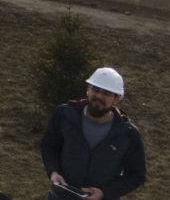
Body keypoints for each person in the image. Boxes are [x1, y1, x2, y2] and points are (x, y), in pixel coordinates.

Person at [40, 67, 147, 200]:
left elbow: (136, 175)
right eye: (95, 90)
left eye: (106, 93)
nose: (99, 96)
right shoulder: (65, 115)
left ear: (116, 99)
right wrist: (54, 172)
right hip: (61, 196)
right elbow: (49, 146)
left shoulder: (128, 133)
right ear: (88, 90)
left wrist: (104, 193)